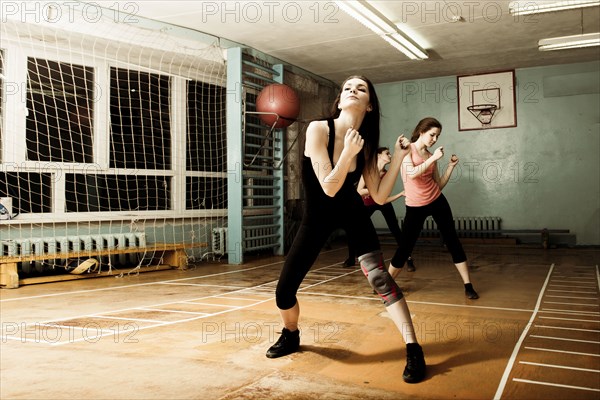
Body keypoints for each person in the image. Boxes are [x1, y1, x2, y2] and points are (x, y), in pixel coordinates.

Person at [266, 76, 426, 384]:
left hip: (351, 210)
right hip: (317, 217)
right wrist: (349, 153)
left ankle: (413, 347)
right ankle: (291, 333)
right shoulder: (318, 129)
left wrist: (400, 157)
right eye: (347, 88)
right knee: (284, 292)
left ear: (369, 105)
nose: (352, 91)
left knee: (380, 278)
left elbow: (377, 196)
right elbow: (328, 187)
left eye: (361, 88)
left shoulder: (364, 142)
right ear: (339, 101)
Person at [388, 117, 479, 300]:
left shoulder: (431, 156)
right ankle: (386, 283)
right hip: (415, 206)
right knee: (405, 248)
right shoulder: (407, 150)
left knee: (452, 241)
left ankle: (468, 285)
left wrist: (450, 167)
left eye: (437, 136)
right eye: (432, 135)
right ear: (421, 132)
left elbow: (438, 184)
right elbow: (412, 174)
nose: (434, 139)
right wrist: (434, 158)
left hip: (437, 200)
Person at [344, 147, 416, 272]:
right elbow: (359, 190)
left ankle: (408, 259)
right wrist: (375, 190)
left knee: (396, 230)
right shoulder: (368, 171)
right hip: (368, 203)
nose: (390, 155)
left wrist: (399, 194)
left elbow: (384, 197)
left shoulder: (387, 174)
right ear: (378, 155)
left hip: (382, 202)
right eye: (387, 153)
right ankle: (351, 258)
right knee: (353, 228)